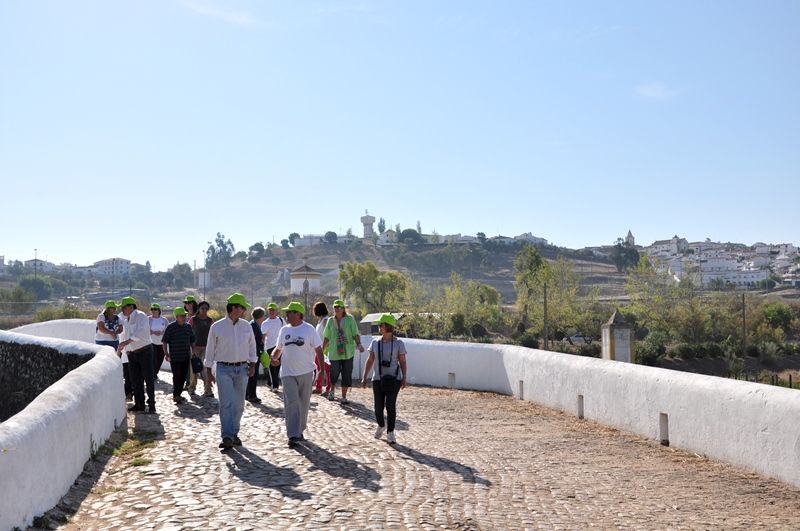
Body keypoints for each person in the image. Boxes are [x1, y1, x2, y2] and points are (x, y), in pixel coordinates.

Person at [205, 293, 257, 450]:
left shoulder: (246, 326)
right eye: (243, 307)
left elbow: (252, 346)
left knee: (239, 405)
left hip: (242, 369)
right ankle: (227, 436)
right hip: (223, 369)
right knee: (226, 403)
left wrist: (253, 364)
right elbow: (209, 350)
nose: (245, 310)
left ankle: (234, 432)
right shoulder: (217, 327)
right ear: (234, 308)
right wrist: (208, 372)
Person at [270, 302, 325, 447]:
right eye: (287, 312)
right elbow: (278, 349)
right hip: (287, 373)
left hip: (306, 372)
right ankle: (293, 435)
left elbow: (319, 351)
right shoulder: (284, 330)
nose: (287, 315)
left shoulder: (309, 329)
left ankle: (299, 430)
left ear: (298, 314)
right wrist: (273, 357)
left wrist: (322, 371)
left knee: (303, 404)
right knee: (291, 404)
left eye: (290, 312)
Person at [361, 313, 407, 444]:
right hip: (378, 379)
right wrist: (365, 376)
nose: (378, 327)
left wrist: (404, 377)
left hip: (394, 379)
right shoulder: (375, 342)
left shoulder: (399, 343)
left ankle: (390, 432)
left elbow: (403, 361)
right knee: (378, 407)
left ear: (388, 327)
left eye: (381, 325)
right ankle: (381, 425)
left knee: (390, 405)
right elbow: (370, 360)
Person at [117, 296, 156, 414]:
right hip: (132, 354)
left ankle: (152, 404)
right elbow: (125, 336)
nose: (122, 310)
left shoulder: (141, 316)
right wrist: (127, 349)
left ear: (131, 307)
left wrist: (127, 343)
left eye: (123, 308)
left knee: (148, 378)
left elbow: (142, 331)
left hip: (145, 351)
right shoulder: (126, 320)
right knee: (135, 380)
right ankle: (139, 404)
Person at [322, 299, 364, 404]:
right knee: (334, 371)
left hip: (347, 351)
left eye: (338, 307)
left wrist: (359, 344)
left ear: (343, 309)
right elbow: (327, 336)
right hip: (334, 351)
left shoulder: (350, 319)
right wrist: (322, 349)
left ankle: (344, 396)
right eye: (335, 307)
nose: (336, 309)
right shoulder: (331, 321)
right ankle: (332, 390)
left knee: (346, 373)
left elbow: (355, 333)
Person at [95, 300, 129, 399]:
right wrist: (111, 333)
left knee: (114, 358)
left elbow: (121, 328)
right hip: (102, 340)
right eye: (112, 308)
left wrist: (116, 333)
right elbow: (101, 327)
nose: (114, 309)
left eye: (115, 308)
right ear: (108, 309)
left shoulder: (117, 318)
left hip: (114, 341)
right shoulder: (101, 316)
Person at [162, 307, 196, 404]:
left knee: (183, 376)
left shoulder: (188, 327)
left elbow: (192, 340)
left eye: (184, 316)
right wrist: (166, 354)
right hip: (175, 357)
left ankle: (178, 394)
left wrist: (193, 350)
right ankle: (176, 395)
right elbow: (164, 341)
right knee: (176, 376)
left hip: (185, 356)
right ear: (176, 317)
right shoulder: (171, 327)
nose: (184, 317)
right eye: (181, 316)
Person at [189, 300, 214, 396]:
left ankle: (208, 390)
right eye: (202, 308)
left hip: (207, 347)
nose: (204, 310)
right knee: (194, 368)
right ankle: (192, 388)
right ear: (199, 309)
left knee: (206, 368)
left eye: (206, 308)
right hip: (195, 347)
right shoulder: (193, 320)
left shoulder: (210, 321)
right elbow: (189, 331)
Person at [260, 302, 284, 393]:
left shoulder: (281, 320)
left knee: (278, 366)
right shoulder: (265, 323)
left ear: (276, 311)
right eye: (270, 310)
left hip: (280, 347)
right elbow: (263, 336)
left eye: (273, 310)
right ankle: (275, 386)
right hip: (270, 347)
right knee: (272, 367)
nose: (272, 311)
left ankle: (270, 383)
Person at [246, 307, 266, 404]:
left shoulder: (254, 324)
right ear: (261, 316)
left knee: (252, 374)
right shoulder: (254, 325)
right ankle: (252, 395)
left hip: (255, 352)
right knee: (253, 375)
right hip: (253, 354)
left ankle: (247, 394)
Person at [312, 301, 332, 395]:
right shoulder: (320, 320)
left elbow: (329, 334)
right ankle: (318, 386)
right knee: (317, 366)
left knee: (327, 369)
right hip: (318, 347)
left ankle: (328, 388)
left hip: (326, 347)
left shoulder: (326, 320)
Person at [182, 295, 200, 391]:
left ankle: (193, 384)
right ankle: (188, 382)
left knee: (195, 364)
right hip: (185, 342)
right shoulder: (183, 315)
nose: (187, 305)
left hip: (196, 343)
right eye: (186, 303)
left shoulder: (198, 315)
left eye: (189, 303)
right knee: (187, 364)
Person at [148, 303, 169, 379]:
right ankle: (153, 374)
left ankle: (156, 371)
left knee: (160, 358)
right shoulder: (148, 319)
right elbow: (145, 330)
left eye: (155, 309)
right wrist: (153, 332)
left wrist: (162, 333)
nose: (153, 311)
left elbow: (168, 330)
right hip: (151, 342)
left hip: (162, 342)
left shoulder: (164, 320)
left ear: (159, 310)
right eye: (152, 309)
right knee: (153, 359)